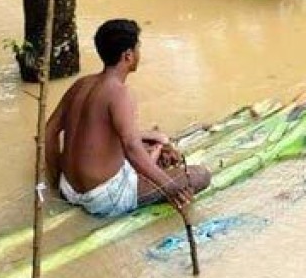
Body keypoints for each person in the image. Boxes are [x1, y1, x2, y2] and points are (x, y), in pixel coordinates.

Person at [45, 19, 211, 217]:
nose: (140, 53)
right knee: (200, 175)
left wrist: (56, 180)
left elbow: (49, 131)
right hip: (102, 197)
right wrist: (169, 187)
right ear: (128, 55)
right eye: (138, 47)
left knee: (148, 145)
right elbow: (131, 148)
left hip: (68, 189)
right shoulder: (120, 93)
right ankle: (149, 166)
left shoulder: (81, 84)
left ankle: (154, 151)